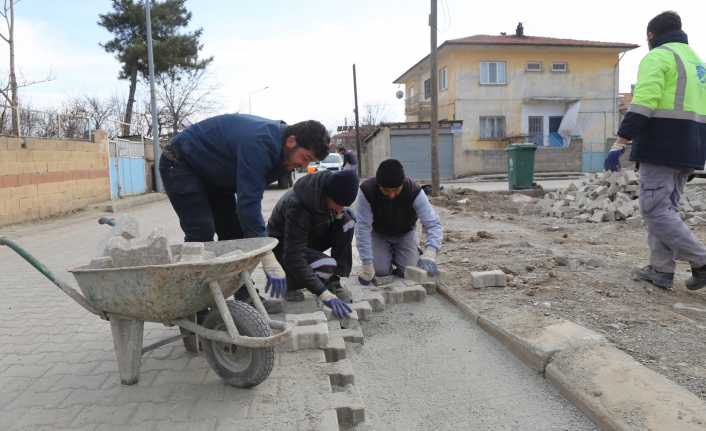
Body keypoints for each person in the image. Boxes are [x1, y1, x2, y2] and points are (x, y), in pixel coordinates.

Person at [160, 114, 330, 306]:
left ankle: (245, 296)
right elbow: (248, 203)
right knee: (201, 233)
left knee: (235, 236)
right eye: (305, 158)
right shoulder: (260, 143)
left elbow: (248, 200)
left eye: (310, 162)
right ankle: (193, 305)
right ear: (291, 141)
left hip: (216, 176)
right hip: (181, 163)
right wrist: (267, 254)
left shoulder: (283, 153)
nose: (304, 166)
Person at [605, 11, 706, 290]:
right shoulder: (698, 62)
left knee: (654, 210)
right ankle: (661, 271)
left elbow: (644, 102)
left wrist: (620, 143)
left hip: (663, 144)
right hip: (692, 147)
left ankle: (702, 260)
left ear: (651, 35)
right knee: (665, 210)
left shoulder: (659, 56)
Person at [266, 169, 359, 318]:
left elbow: (338, 213)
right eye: (338, 204)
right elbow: (293, 257)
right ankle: (288, 283)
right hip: (284, 250)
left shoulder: (327, 193)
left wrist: (342, 214)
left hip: (307, 237)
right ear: (328, 195)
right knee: (326, 265)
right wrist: (322, 294)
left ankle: (333, 282)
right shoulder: (298, 205)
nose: (340, 208)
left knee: (347, 222)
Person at [355, 159, 443, 284]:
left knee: (409, 270)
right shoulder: (367, 190)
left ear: (402, 183)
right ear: (379, 185)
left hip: (405, 233)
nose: (391, 195)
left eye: (396, 190)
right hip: (378, 234)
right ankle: (386, 258)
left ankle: (410, 252)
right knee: (380, 271)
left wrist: (431, 251)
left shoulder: (414, 191)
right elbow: (362, 227)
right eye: (386, 190)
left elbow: (433, 223)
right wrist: (367, 262)